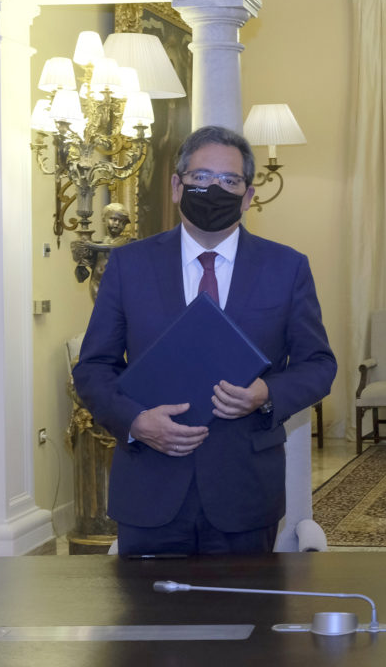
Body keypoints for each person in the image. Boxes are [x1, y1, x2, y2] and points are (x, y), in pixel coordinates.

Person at [73, 125, 337, 555]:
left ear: (248, 196)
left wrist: (267, 394)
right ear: (177, 187)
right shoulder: (129, 265)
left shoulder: (286, 268)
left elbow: (319, 365)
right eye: (201, 177)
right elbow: (93, 367)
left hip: (245, 493)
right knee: (143, 602)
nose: (214, 190)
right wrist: (135, 421)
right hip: (149, 489)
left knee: (247, 601)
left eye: (229, 180)